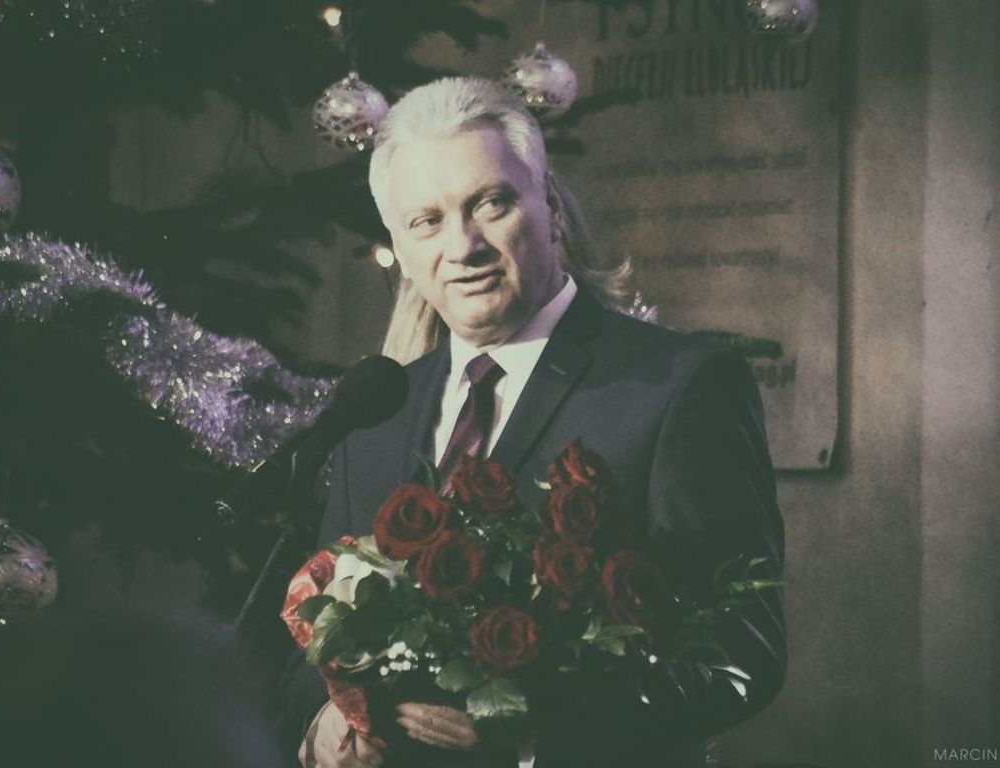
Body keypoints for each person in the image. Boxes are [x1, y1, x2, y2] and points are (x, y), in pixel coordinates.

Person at [279, 76, 785, 768]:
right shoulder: (376, 412)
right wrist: (321, 721)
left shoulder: (679, 388)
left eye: (489, 204)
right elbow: (313, 638)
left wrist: (536, 732)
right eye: (426, 221)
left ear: (549, 207)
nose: (463, 246)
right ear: (397, 242)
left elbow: (741, 656)